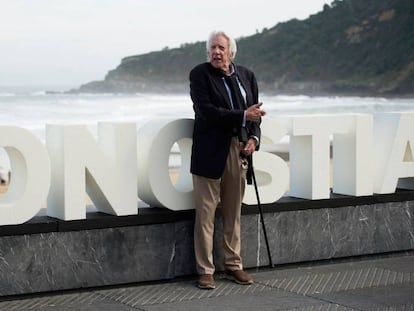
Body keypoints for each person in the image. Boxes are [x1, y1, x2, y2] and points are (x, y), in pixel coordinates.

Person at [189, 30, 266, 289]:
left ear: (231, 51)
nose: (216, 52)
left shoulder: (247, 75)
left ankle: (234, 265)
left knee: (233, 212)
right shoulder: (199, 74)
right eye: (212, 48)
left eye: (221, 48)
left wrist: (254, 137)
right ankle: (205, 270)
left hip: (239, 149)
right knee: (206, 213)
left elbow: (255, 113)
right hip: (209, 151)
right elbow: (207, 112)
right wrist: (243, 116)